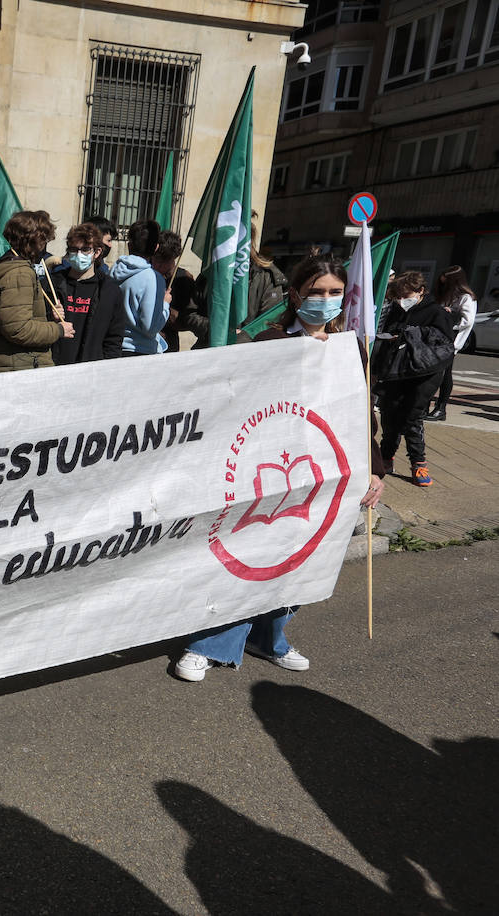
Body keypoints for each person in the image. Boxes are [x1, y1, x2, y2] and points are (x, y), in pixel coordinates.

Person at [174, 255, 385, 683]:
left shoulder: (350, 348)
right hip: (265, 467)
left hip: (325, 472)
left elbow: (363, 416)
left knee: (299, 557)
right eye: (317, 292)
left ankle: (271, 637)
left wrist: (375, 469)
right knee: (249, 554)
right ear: (295, 295)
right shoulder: (270, 342)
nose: (326, 301)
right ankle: (211, 643)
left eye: (334, 293)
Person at [374, 271, 453, 486]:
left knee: (412, 416)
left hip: (424, 373)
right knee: (390, 413)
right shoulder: (397, 309)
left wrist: (410, 333)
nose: (402, 300)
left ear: (420, 291)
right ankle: (386, 457)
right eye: (398, 295)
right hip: (396, 371)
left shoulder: (437, 312)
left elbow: (444, 343)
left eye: (406, 295)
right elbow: (387, 331)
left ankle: (418, 463)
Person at [0, 210, 72, 372]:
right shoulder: (19, 274)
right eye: (44, 241)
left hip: (16, 364)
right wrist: (58, 330)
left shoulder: (12, 268)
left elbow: (15, 318)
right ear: (35, 242)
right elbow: (18, 329)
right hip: (19, 367)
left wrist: (50, 317)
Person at [49, 222, 124, 365]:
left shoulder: (110, 290)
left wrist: (108, 368)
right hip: (54, 367)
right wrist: (50, 317)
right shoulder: (52, 284)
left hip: (92, 371)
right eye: (73, 249)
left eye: (85, 250)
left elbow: (114, 338)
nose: (78, 255)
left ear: (97, 252)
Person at [427, 265, 477, 421]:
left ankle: (440, 408)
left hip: (451, 340)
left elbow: (467, 321)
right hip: (436, 338)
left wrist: (448, 320)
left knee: (444, 374)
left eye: (446, 282)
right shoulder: (444, 294)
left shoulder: (466, 297)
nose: (442, 284)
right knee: (432, 372)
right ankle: (425, 405)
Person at [114, 219, 168, 355]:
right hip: (140, 351)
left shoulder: (113, 270)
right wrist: (165, 304)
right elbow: (150, 327)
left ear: (129, 245)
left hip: (116, 346)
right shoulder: (153, 278)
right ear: (156, 247)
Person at [151, 230, 195, 353]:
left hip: (168, 345)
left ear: (174, 258)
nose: (156, 265)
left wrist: (167, 311)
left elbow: (190, 319)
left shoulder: (184, 278)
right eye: (155, 259)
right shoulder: (146, 273)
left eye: (162, 262)